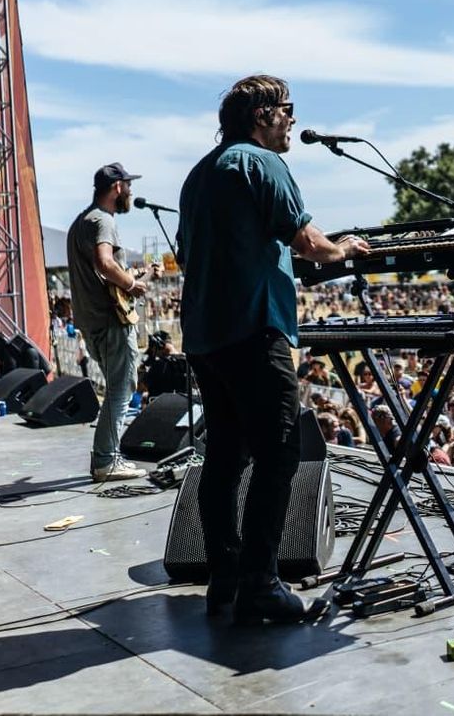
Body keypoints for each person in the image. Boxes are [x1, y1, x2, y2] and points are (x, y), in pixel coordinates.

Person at [177, 75, 370, 624]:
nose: (291, 119)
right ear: (262, 115)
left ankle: (226, 579)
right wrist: (343, 251)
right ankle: (261, 584)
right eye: (287, 110)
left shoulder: (198, 176)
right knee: (280, 452)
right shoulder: (264, 164)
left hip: (207, 335)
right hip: (253, 328)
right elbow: (307, 241)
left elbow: (200, 254)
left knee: (224, 457)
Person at [66, 162, 150, 482]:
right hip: (110, 319)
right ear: (117, 188)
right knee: (122, 386)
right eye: (128, 186)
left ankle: (106, 456)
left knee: (117, 386)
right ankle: (106, 460)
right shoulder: (103, 221)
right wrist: (132, 284)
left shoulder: (81, 221)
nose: (130, 192)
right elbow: (105, 262)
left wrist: (132, 278)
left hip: (91, 319)